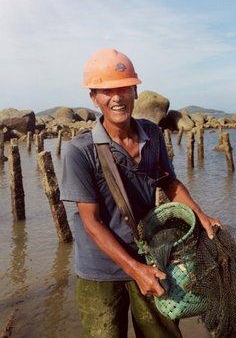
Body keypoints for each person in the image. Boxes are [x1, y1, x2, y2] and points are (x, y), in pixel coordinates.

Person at [60, 48, 221, 338]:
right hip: (100, 271)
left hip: (151, 256)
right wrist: (135, 270)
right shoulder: (79, 151)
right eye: (106, 91)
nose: (117, 97)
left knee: (163, 332)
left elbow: (169, 183)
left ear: (135, 91)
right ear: (94, 98)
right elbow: (91, 223)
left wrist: (201, 216)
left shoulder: (152, 134)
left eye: (124, 88)